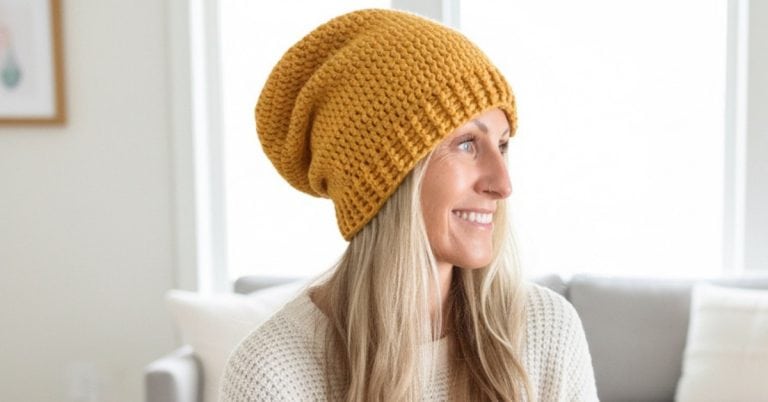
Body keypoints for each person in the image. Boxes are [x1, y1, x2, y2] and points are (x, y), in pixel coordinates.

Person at [220, 8, 597, 402]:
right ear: (385, 180)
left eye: (502, 145)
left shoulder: (545, 330)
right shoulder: (272, 371)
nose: (503, 184)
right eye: (467, 144)